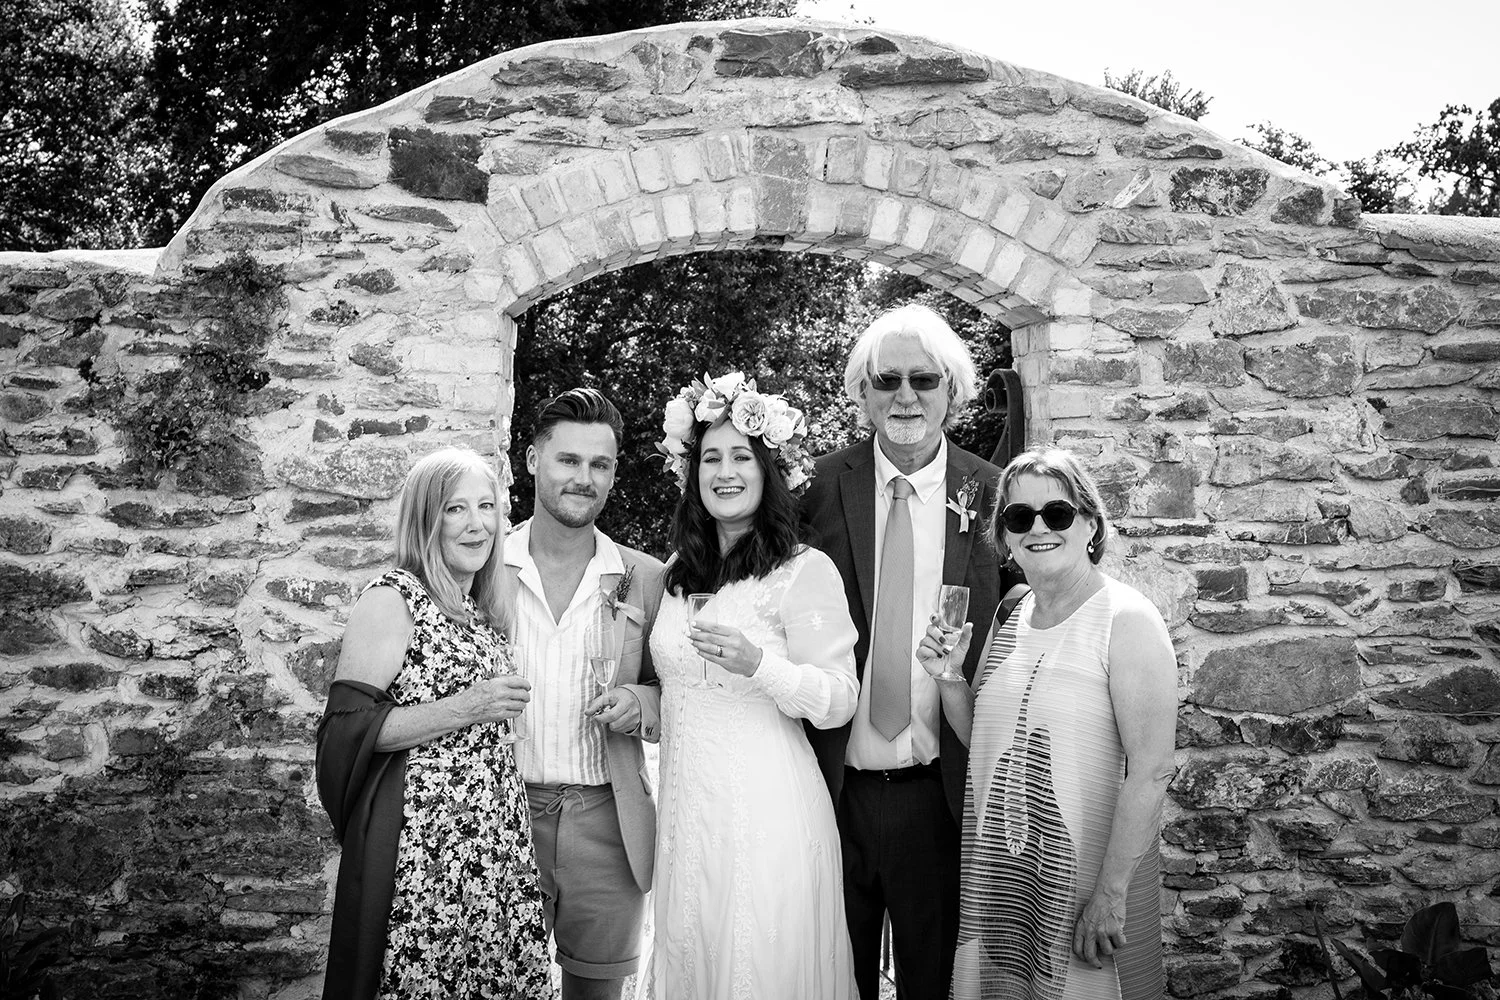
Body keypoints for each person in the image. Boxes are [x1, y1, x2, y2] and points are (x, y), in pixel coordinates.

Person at [799, 303, 1014, 1000]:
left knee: (932, 984)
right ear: (860, 391)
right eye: (885, 379)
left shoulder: (991, 492)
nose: (905, 396)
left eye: (924, 379)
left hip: (936, 793)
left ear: (953, 390)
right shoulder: (818, 486)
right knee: (834, 981)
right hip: (829, 786)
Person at [917, 448, 1176, 999]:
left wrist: (1109, 894)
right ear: (1004, 536)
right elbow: (981, 737)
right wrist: (948, 678)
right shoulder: (1011, 613)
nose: (1038, 528)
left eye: (1056, 514)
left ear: (1090, 523)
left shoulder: (1126, 619)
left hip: (1081, 881)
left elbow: (1152, 771)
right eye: (1019, 517)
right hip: (1005, 879)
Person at [637, 372, 860, 999]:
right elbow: (674, 681)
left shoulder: (803, 570)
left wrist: (760, 664)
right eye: (711, 457)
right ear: (693, 472)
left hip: (767, 810)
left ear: (768, 472)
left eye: (742, 456)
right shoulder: (679, 572)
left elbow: (839, 698)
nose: (725, 471)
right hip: (686, 812)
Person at [315, 446, 552, 1000]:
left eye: (487, 507)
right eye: (455, 509)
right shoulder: (392, 599)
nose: (477, 525)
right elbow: (345, 729)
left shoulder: (479, 611)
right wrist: (468, 708)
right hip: (425, 849)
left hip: (494, 849)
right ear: (426, 518)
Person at [504, 388, 666, 1000]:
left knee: (596, 994)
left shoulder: (644, 577)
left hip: (608, 817)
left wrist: (640, 705)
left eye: (600, 465)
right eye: (568, 461)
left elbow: (671, 691)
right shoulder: (483, 569)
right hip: (499, 811)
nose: (584, 478)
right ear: (532, 461)